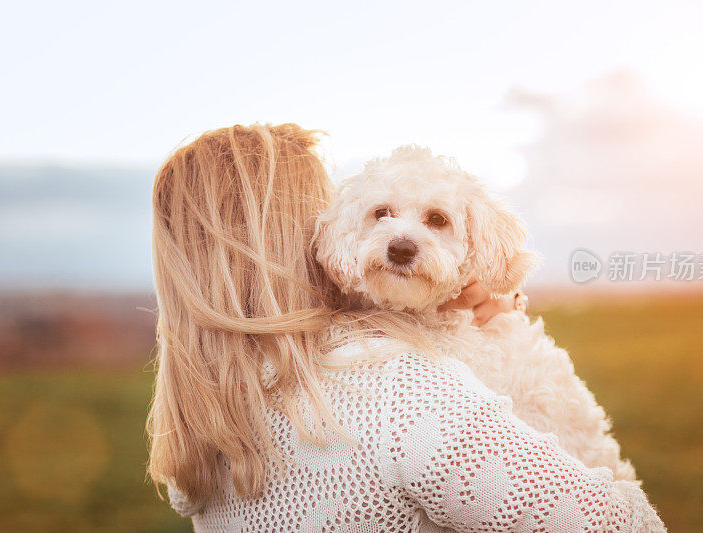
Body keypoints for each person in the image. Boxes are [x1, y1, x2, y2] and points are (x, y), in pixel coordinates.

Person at [148, 123, 665, 532]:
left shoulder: (203, 422)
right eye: (380, 214)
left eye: (435, 220)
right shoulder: (405, 392)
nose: (401, 239)